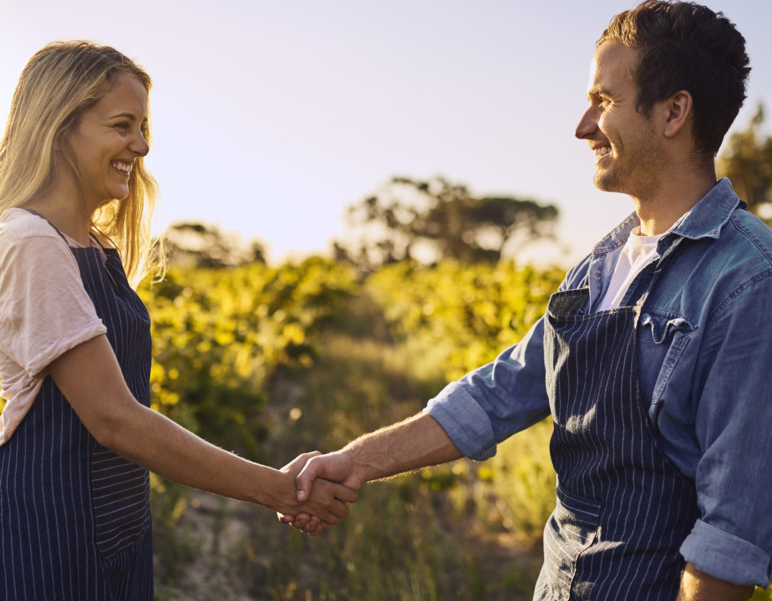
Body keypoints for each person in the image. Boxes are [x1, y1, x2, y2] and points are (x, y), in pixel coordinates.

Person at [285, 2, 771, 599]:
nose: (583, 125)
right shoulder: (601, 264)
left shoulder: (748, 281)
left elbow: (731, 533)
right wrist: (355, 460)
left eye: (605, 100)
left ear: (674, 111)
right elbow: (502, 391)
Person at [0, 41, 356, 601]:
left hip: (112, 528)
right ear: (59, 126)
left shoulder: (92, 247)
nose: (142, 145)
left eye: (144, 126)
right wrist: (278, 489)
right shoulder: (31, 239)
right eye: (123, 125)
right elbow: (115, 420)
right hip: (41, 541)